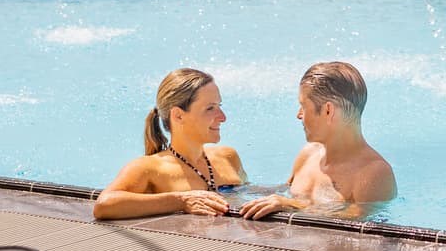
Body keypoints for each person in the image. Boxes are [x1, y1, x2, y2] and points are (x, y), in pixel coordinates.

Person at [239, 62, 396, 220]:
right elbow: (281, 194)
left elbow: (356, 219)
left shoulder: (374, 173)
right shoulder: (308, 154)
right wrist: (229, 186)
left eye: (303, 106)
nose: (299, 115)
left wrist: (293, 206)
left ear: (328, 111)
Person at [94, 67, 246, 220]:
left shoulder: (228, 157)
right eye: (210, 108)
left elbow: (249, 195)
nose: (222, 117)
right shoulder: (149, 168)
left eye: (219, 106)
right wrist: (180, 201)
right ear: (178, 115)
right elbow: (104, 205)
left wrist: (271, 200)